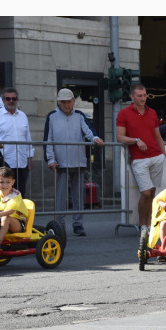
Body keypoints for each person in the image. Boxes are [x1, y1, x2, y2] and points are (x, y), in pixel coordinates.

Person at [45, 88, 104, 236]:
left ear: (73, 101)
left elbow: (88, 131)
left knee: (79, 196)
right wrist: (51, 159)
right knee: (61, 197)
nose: (66, 104)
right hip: (61, 162)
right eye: (63, 102)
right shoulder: (52, 116)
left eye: (69, 101)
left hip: (78, 161)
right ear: (58, 102)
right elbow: (48, 139)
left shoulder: (79, 115)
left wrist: (95, 138)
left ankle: (78, 225)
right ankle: (60, 225)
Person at [116, 83, 166, 233]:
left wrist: (163, 154)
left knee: (151, 193)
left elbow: (157, 135)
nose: (143, 98)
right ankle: (141, 225)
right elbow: (119, 137)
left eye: (144, 95)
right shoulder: (124, 113)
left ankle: (149, 224)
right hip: (139, 158)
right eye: (139, 95)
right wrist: (136, 140)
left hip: (156, 156)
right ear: (132, 96)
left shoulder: (152, 113)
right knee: (145, 192)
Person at [0, 88, 34, 197]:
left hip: (21, 162)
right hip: (3, 162)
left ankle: (18, 214)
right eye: (8, 98)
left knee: (20, 193)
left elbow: (28, 138)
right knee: (4, 195)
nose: (11, 101)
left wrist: (30, 158)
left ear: (17, 100)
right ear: (3, 100)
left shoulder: (23, 116)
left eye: (14, 98)